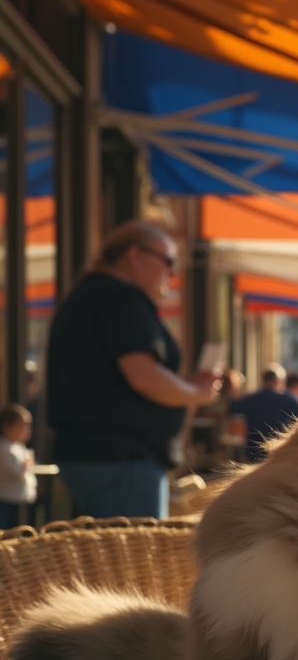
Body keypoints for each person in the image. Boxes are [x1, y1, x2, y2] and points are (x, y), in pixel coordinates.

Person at [46, 221, 220, 519]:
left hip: (101, 457)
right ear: (135, 256)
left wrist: (184, 389)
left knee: (109, 560)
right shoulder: (121, 297)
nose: (173, 272)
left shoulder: (92, 294)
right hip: (123, 460)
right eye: (168, 261)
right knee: (131, 563)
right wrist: (196, 392)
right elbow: (144, 378)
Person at [229, 364, 298, 463]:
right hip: (282, 451)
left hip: (253, 452)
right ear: (280, 381)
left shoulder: (247, 400)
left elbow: (235, 426)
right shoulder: (292, 401)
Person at [0, 404, 37, 530]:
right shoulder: (4, 448)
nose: (26, 430)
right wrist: (25, 464)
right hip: (7, 498)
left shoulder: (19, 447)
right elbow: (14, 472)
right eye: (22, 426)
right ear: (7, 427)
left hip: (19, 498)